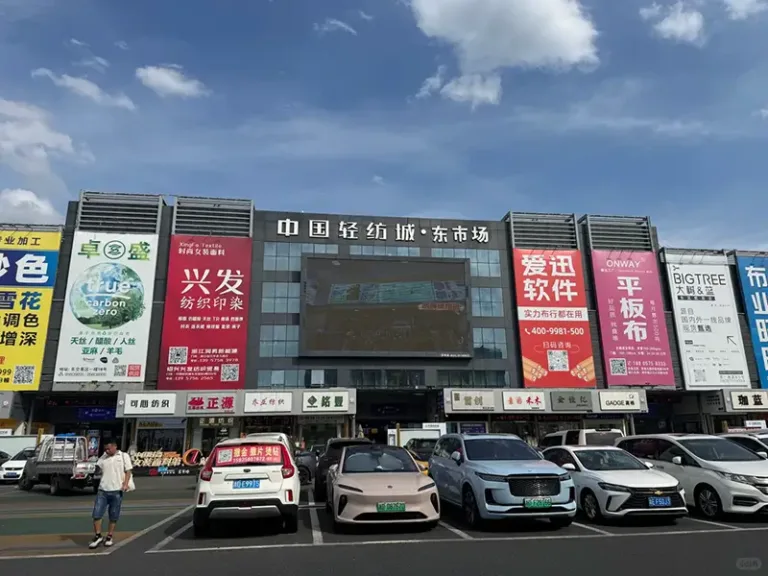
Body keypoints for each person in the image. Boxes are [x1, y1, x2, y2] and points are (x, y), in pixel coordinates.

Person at [89, 440, 133, 549]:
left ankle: (109, 536)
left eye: (109, 448)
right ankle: (98, 535)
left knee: (113, 515)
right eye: (105, 449)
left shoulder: (123, 456)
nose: (107, 451)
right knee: (97, 514)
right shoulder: (103, 457)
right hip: (102, 490)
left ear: (115, 446)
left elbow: (128, 471)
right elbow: (97, 470)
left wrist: (125, 484)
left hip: (117, 490)